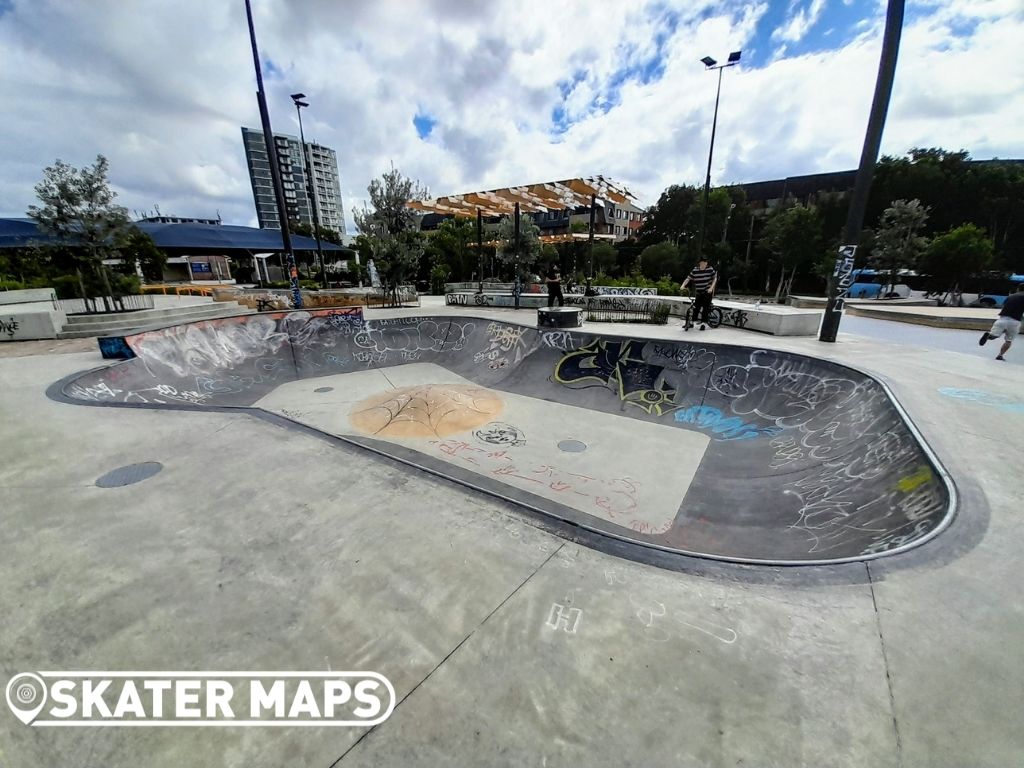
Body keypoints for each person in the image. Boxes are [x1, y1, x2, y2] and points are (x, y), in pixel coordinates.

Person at [980, 283, 1024, 360]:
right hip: (1015, 322)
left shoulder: (1010, 297)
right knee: (1009, 340)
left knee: (994, 336)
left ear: (1018, 289)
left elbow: (1004, 306)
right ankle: (1000, 355)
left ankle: (988, 335)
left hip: (1002, 319)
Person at [680, 257, 717, 330]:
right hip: (699, 291)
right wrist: (683, 285)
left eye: (706, 263)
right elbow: (688, 278)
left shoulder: (710, 269)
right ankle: (692, 322)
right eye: (703, 263)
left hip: (707, 291)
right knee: (696, 307)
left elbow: (714, 279)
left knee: (705, 308)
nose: (704, 264)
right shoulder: (695, 270)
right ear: (700, 263)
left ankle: (703, 323)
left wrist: (711, 288)